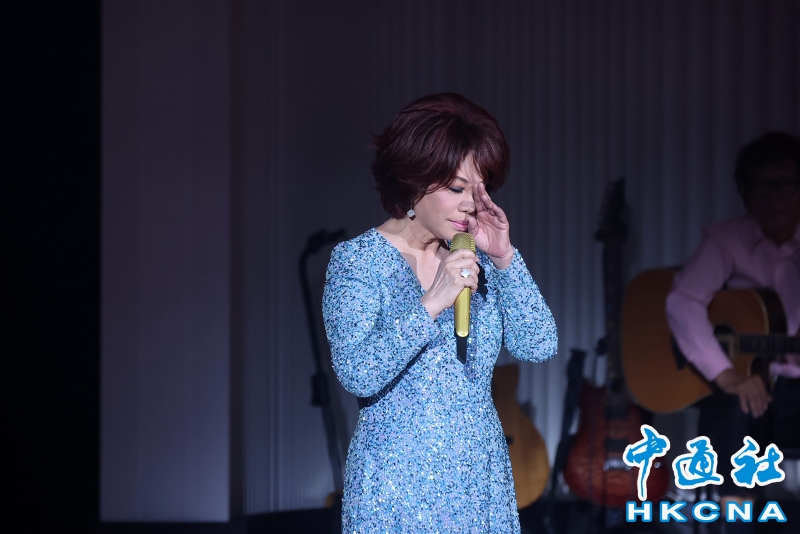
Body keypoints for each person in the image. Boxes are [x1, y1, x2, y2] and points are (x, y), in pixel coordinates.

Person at [322, 93, 558, 533]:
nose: (471, 204)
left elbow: (539, 345)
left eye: (480, 189)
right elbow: (357, 372)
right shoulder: (358, 261)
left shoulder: (477, 261)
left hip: (481, 478)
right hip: (396, 484)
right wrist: (431, 303)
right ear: (415, 180)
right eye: (456, 188)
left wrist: (505, 258)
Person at [666, 131, 800, 534]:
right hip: (748, 383)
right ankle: (736, 524)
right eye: (762, 186)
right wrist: (728, 375)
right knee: (732, 411)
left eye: (786, 185)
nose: (774, 198)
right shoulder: (727, 240)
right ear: (744, 193)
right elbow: (683, 302)